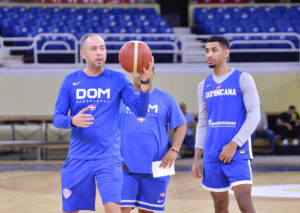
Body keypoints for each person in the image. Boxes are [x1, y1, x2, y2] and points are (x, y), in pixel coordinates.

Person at [52, 34, 152, 213]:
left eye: (102, 48)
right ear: (83, 53)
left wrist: (144, 86)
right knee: (70, 210)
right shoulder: (70, 81)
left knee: (113, 208)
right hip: (78, 157)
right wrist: (72, 120)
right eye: (94, 49)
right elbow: (57, 118)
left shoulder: (119, 79)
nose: (99, 53)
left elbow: (140, 111)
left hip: (109, 157)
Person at [191, 35, 260, 213]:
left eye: (214, 50)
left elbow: (254, 115)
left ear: (226, 52)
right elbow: (203, 122)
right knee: (220, 206)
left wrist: (234, 144)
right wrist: (197, 156)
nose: (209, 54)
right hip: (212, 152)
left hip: (237, 151)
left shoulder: (243, 78)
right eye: (207, 51)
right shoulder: (203, 85)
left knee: (244, 201)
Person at [119, 65, 187, 213]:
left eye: (143, 72)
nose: (139, 76)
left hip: (156, 167)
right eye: (136, 72)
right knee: (121, 209)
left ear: (153, 74)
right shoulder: (121, 99)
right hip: (123, 166)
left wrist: (174, 150)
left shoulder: (166, 99)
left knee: (147, 211)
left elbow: (181, 125)